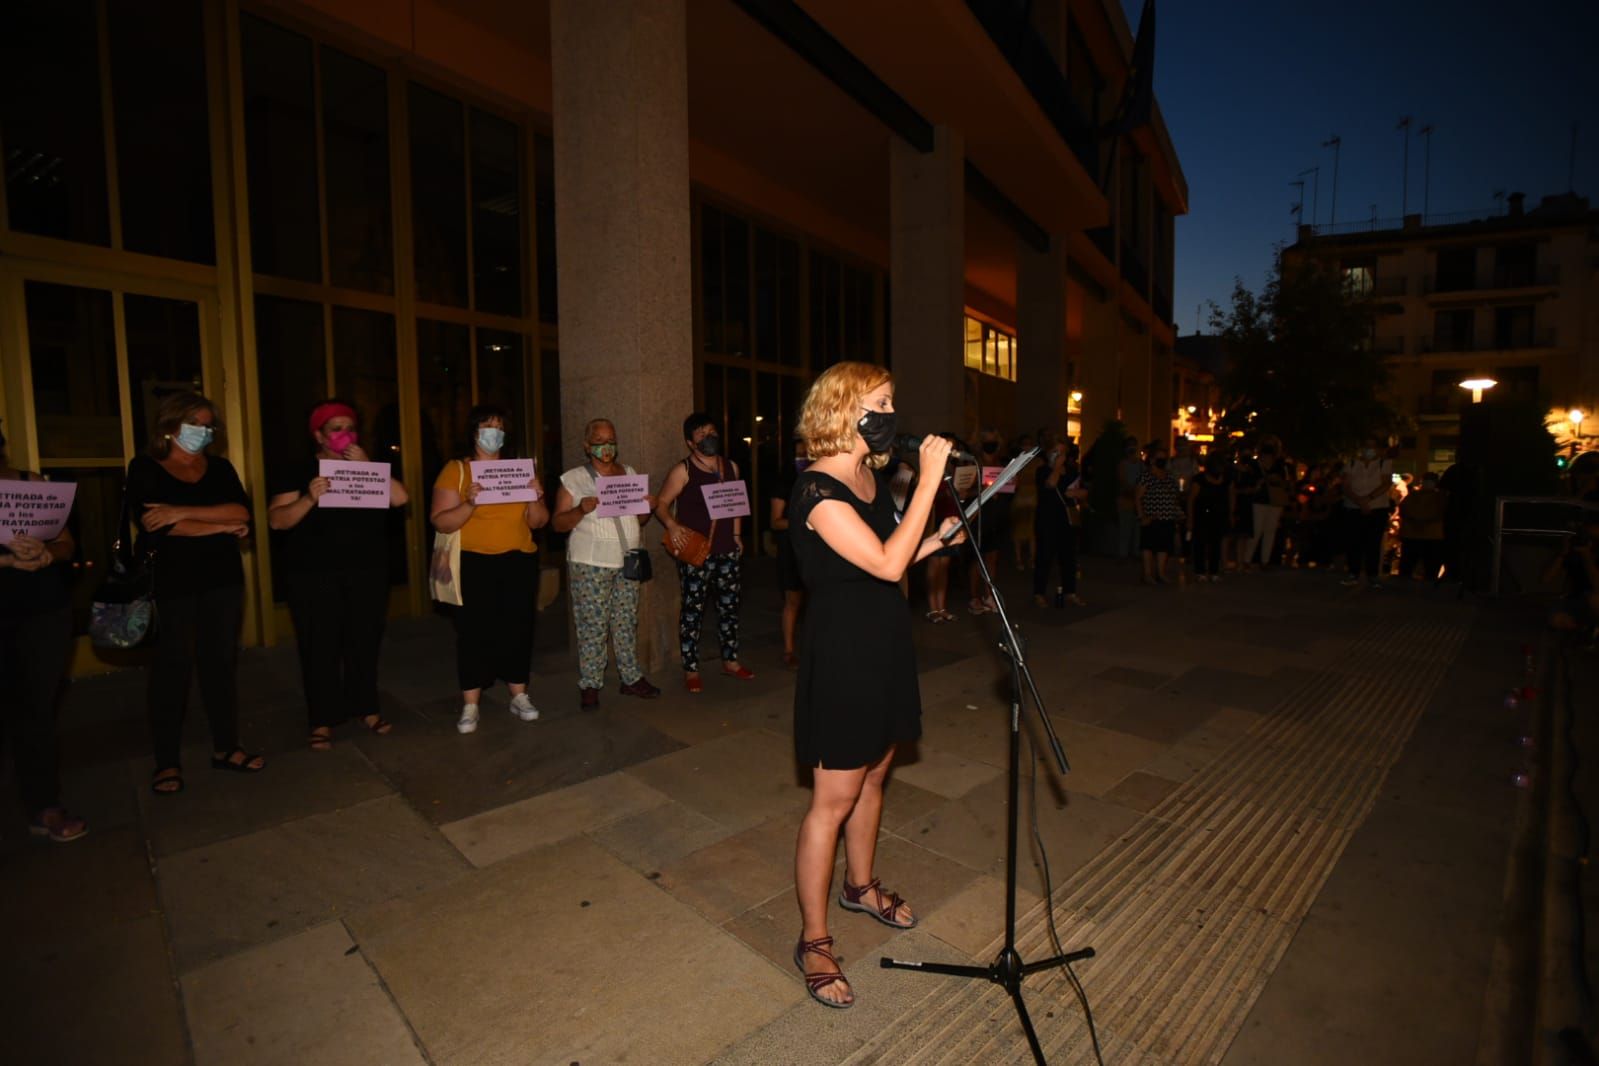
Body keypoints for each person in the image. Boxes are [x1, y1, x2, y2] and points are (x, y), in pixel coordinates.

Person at [785, 361, 964, 1009]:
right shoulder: (816, 491)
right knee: (831, 799)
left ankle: (858, 886)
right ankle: (812, 939)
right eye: (880, 401)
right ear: (842, 408)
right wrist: (930, 484)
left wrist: (938, 536)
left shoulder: (867, 476)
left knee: (876, 775)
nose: (892, 412)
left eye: (892, 399)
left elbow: (886, 561)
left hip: (884, 642)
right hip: (843, 656)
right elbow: (885, 562)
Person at [127, 392, 258, 795]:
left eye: (208, 425)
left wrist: (180, 510)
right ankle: (166, 762)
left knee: (220, 664)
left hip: (222, 580)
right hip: (170, 584)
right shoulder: (145, 467)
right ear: (170, 425)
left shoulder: (219, 468)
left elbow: (243, 514)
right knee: (171, 669)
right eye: (196, 424)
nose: (204, 432)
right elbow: (157, 526)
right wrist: (218, 525)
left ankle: (226, 748)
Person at [268, 399, 408, 750]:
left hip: (366, 571)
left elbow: (401, 499)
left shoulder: (368, 465)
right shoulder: (300, 470)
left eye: (350, 428)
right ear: (319, 435)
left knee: (364, 642)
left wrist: (370, 466)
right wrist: (309, 498)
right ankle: (322, 719)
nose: (344, 434)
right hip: (314, 574)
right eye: (336, 429)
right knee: (319, 646)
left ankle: (367, 708)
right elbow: (277, 520)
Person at [430, 405, 550, 733]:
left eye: (499, 427)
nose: (493, 433)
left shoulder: (519, 470)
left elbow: (539, 522)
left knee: (518, 628)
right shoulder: (456, 471)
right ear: (474, 432)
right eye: (487, 426)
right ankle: (471, 704)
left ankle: (519, 695)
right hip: (474, 563)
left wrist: (535, 497)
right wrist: (469, 503)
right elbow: (440, 521)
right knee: (473, 632)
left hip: (518, 560)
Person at [0, 424, 86, 841]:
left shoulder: (29, 484)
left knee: (35, 711)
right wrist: (7, 562)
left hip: (43, 610)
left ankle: (44, 806)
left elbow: (67, 543)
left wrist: (50, 552)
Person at [551, 418, 661, 709]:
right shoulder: (573, 479)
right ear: (588, 446)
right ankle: (590, 683)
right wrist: (579, 509)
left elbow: (638, 520)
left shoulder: (630, 473)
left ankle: (631, 678)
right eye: (599, 442)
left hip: (626, 560)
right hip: (590, 563)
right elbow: (558, 524)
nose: (606, 447)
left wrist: (647, 508)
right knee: (592, 626)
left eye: (611, 440)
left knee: (626, 622)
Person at [656, 413, 753, 692]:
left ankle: (731, 661)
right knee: (692, 611)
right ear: (690, 442)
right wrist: (672, 526)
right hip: (696, 552)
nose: (709, 436)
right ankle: (690, 668)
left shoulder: (731, 466)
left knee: (729, 607)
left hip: (727, 550)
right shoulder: (683, 470)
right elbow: (661, 503)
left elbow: (735, 504)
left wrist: (736, 536)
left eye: (712, 431)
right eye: (701, 434)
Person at [1033, 440, 1087, 606]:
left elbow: (1084, 491)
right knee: (1045, 557)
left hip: (1067, 520)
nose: (1059, 455)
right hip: (1047, 520)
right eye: (1056, 451)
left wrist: (1078, 493)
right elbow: (1050, 484)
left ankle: (1070, 591)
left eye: (1063, 452)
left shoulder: (1071, 471)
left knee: (1069, 557)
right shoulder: (1042, 471)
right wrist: (1056, 467)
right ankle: (1039, 593)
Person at [769, 438, 808, 667]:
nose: (804, 455)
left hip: (815, 550)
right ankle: (789, 650)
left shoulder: (818, 477)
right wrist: (804, 521)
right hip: (792, 549)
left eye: (808, 451)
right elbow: (776, 522)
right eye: (800, 452)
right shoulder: (783, 482)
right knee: (793, 600)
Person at [967, 427, 1012, 614]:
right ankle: (974, 597)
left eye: (994, 440)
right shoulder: (974, 464)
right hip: (979, 515)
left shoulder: (1001, 465)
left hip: (996, 514)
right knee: (977, 560)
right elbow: (964, 492)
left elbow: (1008, 492)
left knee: (992, 558)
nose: (991, 444)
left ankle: (988, 595)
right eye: (987, 440)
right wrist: (982, 490)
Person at [1341, 437, 1394, 588]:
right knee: (1354, 542)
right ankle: (1353, 573)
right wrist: (1359, 501)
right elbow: (1345, 486)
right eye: (1366, 446)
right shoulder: (1351, 463)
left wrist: (1368, 499)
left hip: (1377, 508)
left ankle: (1373, 575)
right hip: (1353, 508)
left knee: (1374, 542)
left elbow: (1386, 483)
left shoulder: (1384, 463)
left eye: (1372, 447)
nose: (1369, 450)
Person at [1135, 442, 1183, 584]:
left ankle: (1161, 573)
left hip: (1167, 517)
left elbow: (1174, 497)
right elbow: (1138, 497)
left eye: (1164, 458)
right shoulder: (1146, 477)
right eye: (1159, 458)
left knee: (1164, 547)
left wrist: (1177, 512)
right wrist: (1141, 516)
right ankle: (1148, 574)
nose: (1163, 461)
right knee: (1149, 546)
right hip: (1151, 517)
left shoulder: (1169, 477)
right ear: (1152, 460)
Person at [1244, 438, 1290, 569]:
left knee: (1270, 531)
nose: (1267, 459)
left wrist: (1277, 480)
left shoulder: (1279, 466)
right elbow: (1250, 483)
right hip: (1259, 501)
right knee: (1256, 531)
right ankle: (1247, 559)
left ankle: (1265, 560)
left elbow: (1284, 483)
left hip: (1274, 502)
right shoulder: (1255, 466)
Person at [1187, 454, 1233, 582]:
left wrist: (1230, 514)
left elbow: (1231, 498)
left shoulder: (1226, 480)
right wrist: (1190, 519)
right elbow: (1191, 500)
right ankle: (1200, 571)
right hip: (1201, 516)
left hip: (1219, 516)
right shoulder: (1199, 479)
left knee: (1216, 544)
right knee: (1200, 544)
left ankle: (1214, 571)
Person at [1398, 471, 1447, 582]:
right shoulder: (1440, 497)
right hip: (1432, 536)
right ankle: (1428, 589)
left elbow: (1404, 511)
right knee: (1431, 568)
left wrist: (1415, 520)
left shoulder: (1413, 496)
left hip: (1412, 534)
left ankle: (1404, 588)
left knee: (1408, 565)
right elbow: (1440, 513)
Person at [1010, 433, 1038, 572]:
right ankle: (1019, 558)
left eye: (1029, 444)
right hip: (1020, 497)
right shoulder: (1016, 462)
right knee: (1018, 530)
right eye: (1024, 444)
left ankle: (1032, 558)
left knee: (1032, 530)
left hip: (1033, 497)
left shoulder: (1038, 462)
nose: (1027, 447)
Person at [1229, 443, 1259, 571]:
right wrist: (1242, 491)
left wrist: (1253, 490)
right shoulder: (1233, 470)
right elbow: (1231, 489)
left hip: (1248, 504)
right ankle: (1233, 562)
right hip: (1236, 503)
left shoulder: (1251, 470)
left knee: (1244, 535)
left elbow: (1254, 486)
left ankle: (1241, 562)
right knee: (1234, 534)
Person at [1116, 437, 1144, 559]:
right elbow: (1122, 481)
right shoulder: (1122, 464)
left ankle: (1136, 552)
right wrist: (1133, 491)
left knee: (1137, 530)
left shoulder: (1141, 464)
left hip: (1138, 501)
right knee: (1125, 529)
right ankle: (1123, 554)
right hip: (1126, 500)